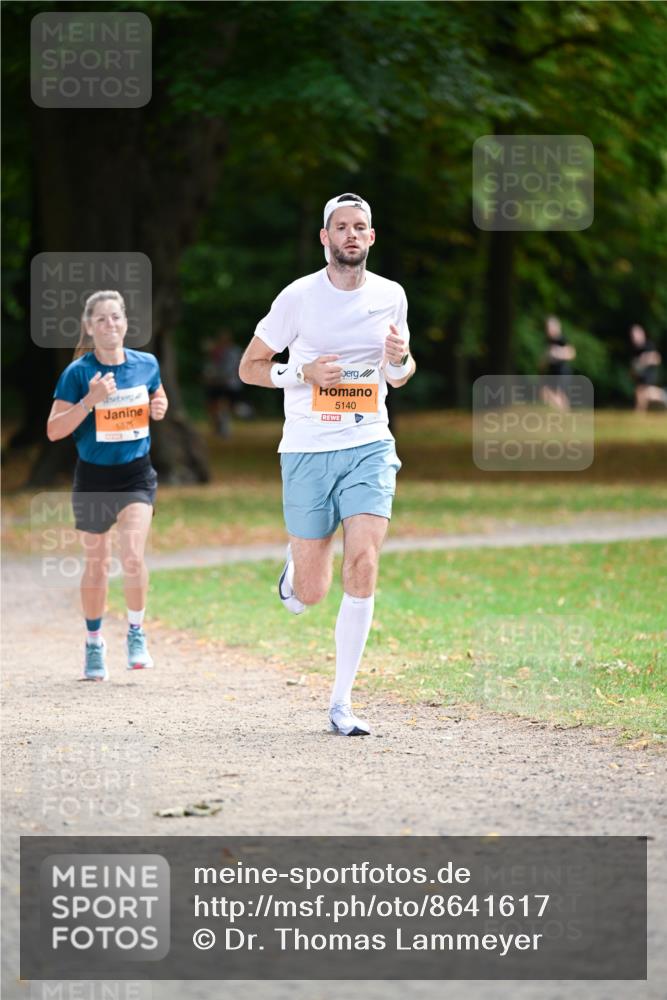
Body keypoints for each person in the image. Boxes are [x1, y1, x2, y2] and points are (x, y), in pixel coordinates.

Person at [239, 193, 415, 736]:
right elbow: (251, 367)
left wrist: (399, 359)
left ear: (372, 236)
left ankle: (341, 703)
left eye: (360, 227)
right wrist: (301, 373)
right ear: (325, 238)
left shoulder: (391, 295)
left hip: (369, 443)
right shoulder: (298, 297)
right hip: (308, 449)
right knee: (310, 594)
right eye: (341, 227)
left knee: (362, 560)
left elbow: (401, 374)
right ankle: (296, 572)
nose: (352, 235)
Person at [46, 289, 168, 681]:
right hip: (94, 478)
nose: (110, 324)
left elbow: (157, 394)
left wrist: (159, 405)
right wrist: (90, 401)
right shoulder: (78, 374)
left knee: (133, 554)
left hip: (135, 474)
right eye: (101, 319)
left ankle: (136, 633)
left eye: (115, 317)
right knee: (96, 565)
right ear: (89, 326)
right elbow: (53, 431)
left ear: (126, 323)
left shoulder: (146, 363)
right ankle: (94, 642)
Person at [203, 331, 246, 437]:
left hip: (229, 383)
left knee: (226, 406)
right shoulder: (216, 351)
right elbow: (211, 367)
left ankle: (225, 428)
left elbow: (234, 368)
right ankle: (218, 428)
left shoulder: (234, 351)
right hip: (217, 382)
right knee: (214, 406)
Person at [540, 315, 576, 411]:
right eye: (547, 328)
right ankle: (563, 414)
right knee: (546, 393)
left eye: (550, 327)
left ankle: (564, 414)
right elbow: (546, 357)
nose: (548, 330)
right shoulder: (550, 341)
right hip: (553, 372)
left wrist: (557, 353)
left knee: (559, 396)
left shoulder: (561, 338)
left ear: (557, 327)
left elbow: (572, 353)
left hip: (562, 372)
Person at [629, 324, 667, 411]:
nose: (634, 337)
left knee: (644, 392)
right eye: (633, 335)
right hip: (640, 376)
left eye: (636, 334)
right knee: (641, 394)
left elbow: (657, 358)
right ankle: (640, 413)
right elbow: (634, 366)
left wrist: (644, 360)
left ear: (642, 334)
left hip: (649, 375)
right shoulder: (635, 349)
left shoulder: (648, 345)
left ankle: (664, 395)